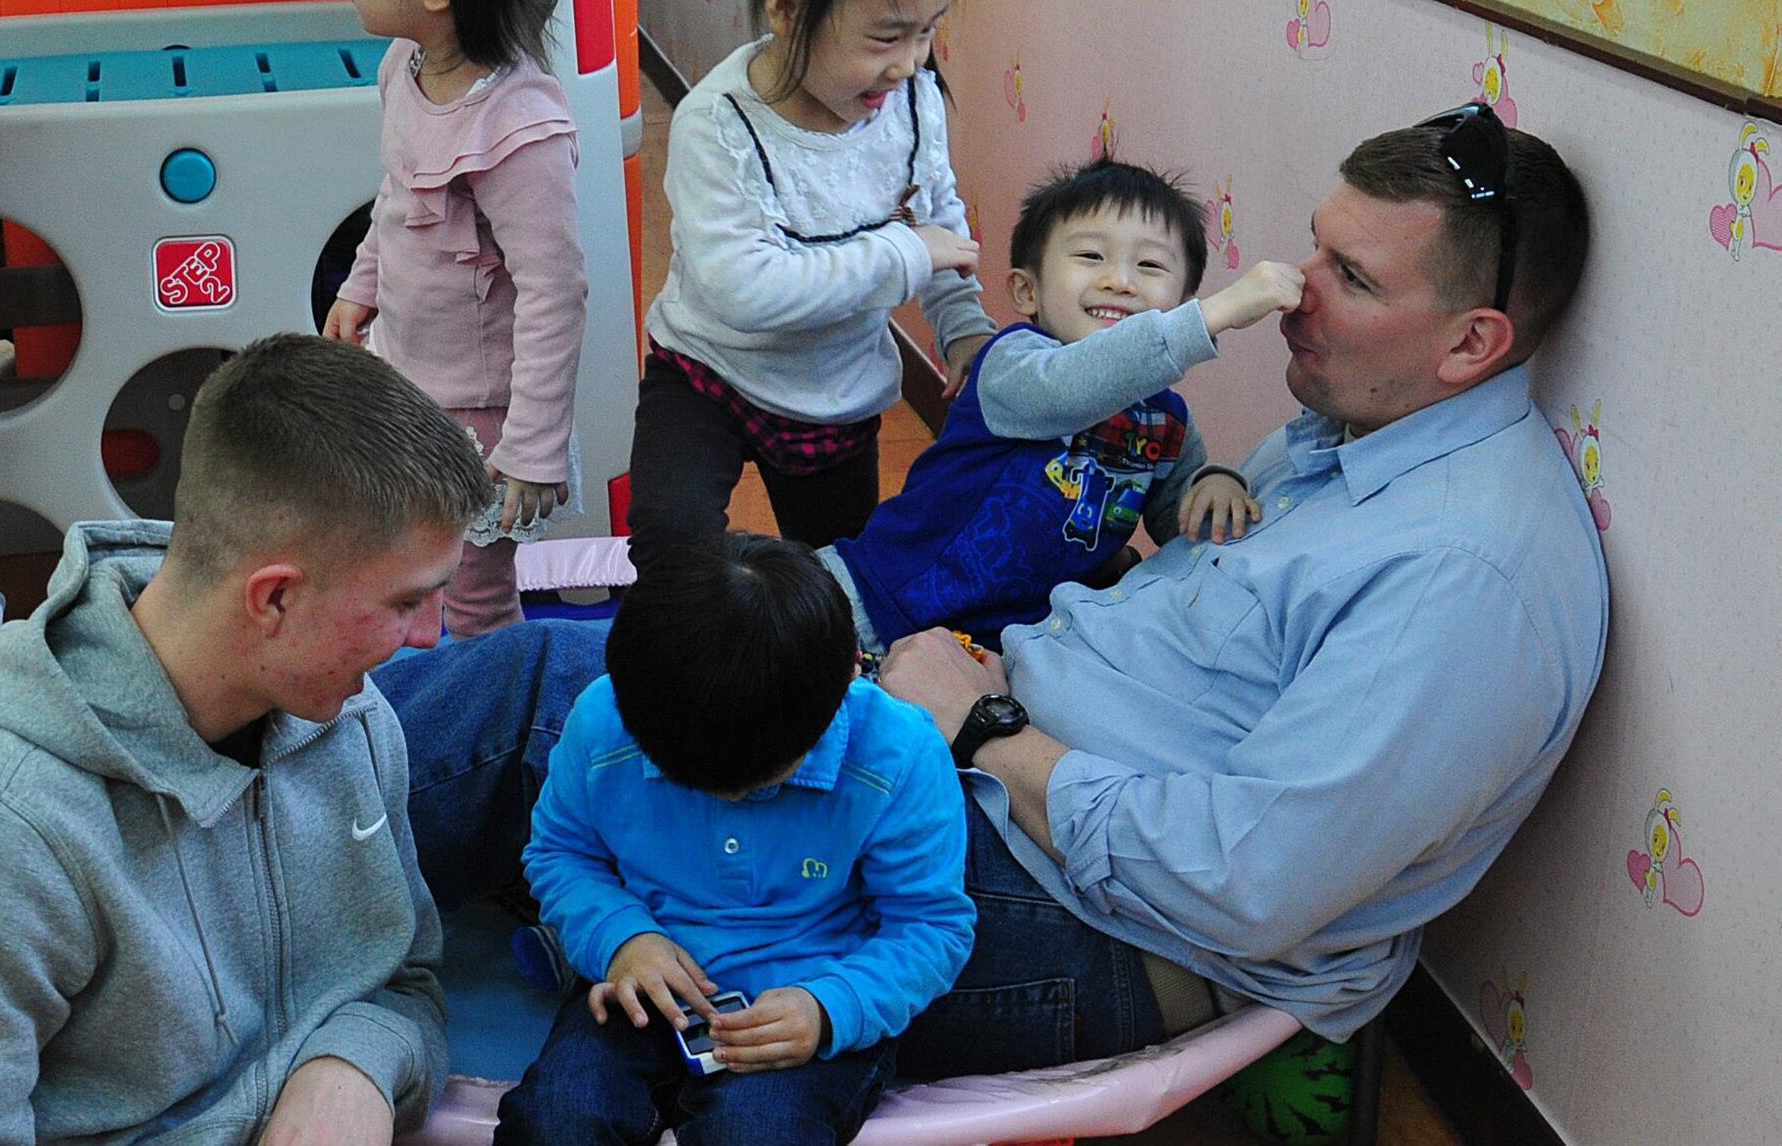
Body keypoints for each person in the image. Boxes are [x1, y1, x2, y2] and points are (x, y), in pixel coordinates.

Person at [382, 104, 1607, 1078]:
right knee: (603, 675)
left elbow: (1246, 885)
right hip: (967, 737)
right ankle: (301, 827)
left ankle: (260, 878)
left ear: (1470, 344)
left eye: (1348, 274)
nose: (1291, 286)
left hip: (1077, 908)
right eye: (1312, 245)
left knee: (558, 707)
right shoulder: (1343, 433)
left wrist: (984, 726)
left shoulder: (1465, 585)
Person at [0, 333, 486, 1142]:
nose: (431, 636)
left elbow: (404, 977)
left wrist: (355, 1063)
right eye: (406, 602)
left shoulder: (352, 720)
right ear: (273, 597)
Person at [493, 534, 973, 1146]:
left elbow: (931, 926)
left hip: (808, 1000)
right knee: (556, 1117)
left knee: (756, 1131)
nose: (725, 798)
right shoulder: (604, 719)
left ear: (846, 682)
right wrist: (623, 939)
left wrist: (829, 1009)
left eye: (760, 780)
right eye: (682, 775)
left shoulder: (897, 754)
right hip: (644, 983)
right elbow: (561, 851)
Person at [626, 0, 994, 573]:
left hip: (836, 396)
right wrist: (904, 252)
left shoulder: (911, 100)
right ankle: (694, 640)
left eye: (927, 32)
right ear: (789, 9)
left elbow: (939, 223)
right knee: (669, 541)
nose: (911, 62)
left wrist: (963, 330)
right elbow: (743, 290)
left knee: (830, 579)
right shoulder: (716, 126)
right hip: (708, 372)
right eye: (887, 36)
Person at [817, 158, 1305, 655]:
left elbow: (1175, 521)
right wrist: (1216, 315)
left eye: (1150, 265)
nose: (1120, 281)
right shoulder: (1011, 362)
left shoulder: (1167, 422)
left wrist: (1213, 484)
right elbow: (1073, 388)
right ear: (1028, 291)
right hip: (869, 603)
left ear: (1181, 300)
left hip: (983, 648)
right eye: (1091, 256)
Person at [323, 0, 588, 639]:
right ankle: (430, 689)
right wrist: (361, 284)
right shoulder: (405, 66)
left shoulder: (518, 128)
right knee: (412, 562)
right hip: (410, 378)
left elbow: (556, 292)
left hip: (483, 421)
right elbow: (399, 196)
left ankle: (491, 723)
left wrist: (532, 449)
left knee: (475, 597)